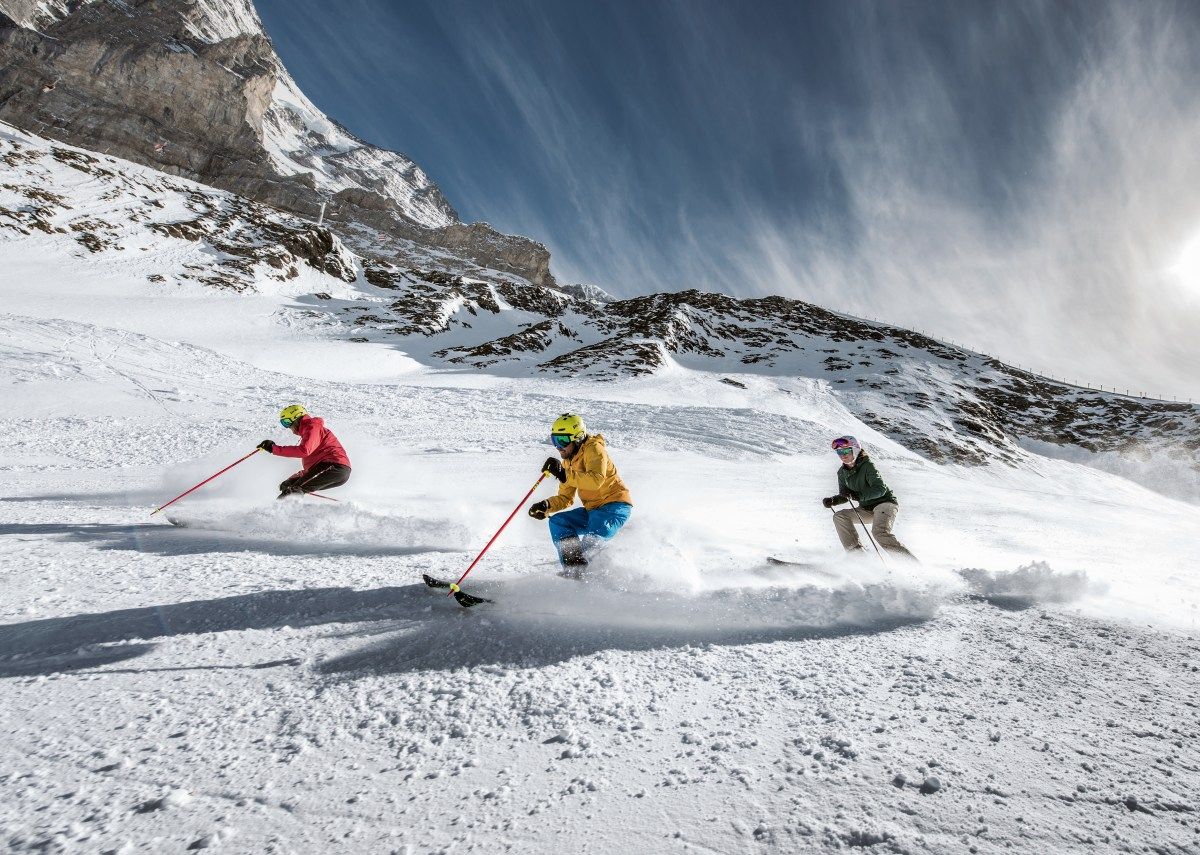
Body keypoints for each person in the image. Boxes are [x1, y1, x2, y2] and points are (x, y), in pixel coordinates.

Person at [527, 413, 633, 578]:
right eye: (554, 440)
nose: (558, 446)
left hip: (614, 506)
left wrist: (564, 474)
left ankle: (591, 578)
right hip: (593, 510)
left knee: (590, 545)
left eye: (562, 441)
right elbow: (565, 498)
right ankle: (573, 568)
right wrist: (546, 506)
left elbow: (596, 480)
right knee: (559, 522)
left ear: (577, 438)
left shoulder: (594, 449)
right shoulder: (568, 461)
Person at [821, 436, 917, 560]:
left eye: (845, 451)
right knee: (839, 516)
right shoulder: (842, 473)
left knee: (879, 533)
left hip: (885, 504)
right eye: (839, 452)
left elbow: (880, 489)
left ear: (855, 450)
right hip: (866, 508)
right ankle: (858, 557)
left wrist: (858, 496)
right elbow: (845, 495)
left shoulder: (867, 466)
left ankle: (909, 563)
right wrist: (834, 500)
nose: (842, 455)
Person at [258, 405, 351, 499]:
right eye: (284, 423)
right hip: (333, 469)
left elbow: (304, 451)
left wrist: (273, 449)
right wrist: (292, 479)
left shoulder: (313, 426)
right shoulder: (310, 430)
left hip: (334, 467)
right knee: (294, 488)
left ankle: (276, 512)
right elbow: (314, 468)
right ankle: (287, 510)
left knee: (294, 491)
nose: (288, 427)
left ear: (296, 418)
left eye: (287, 422)